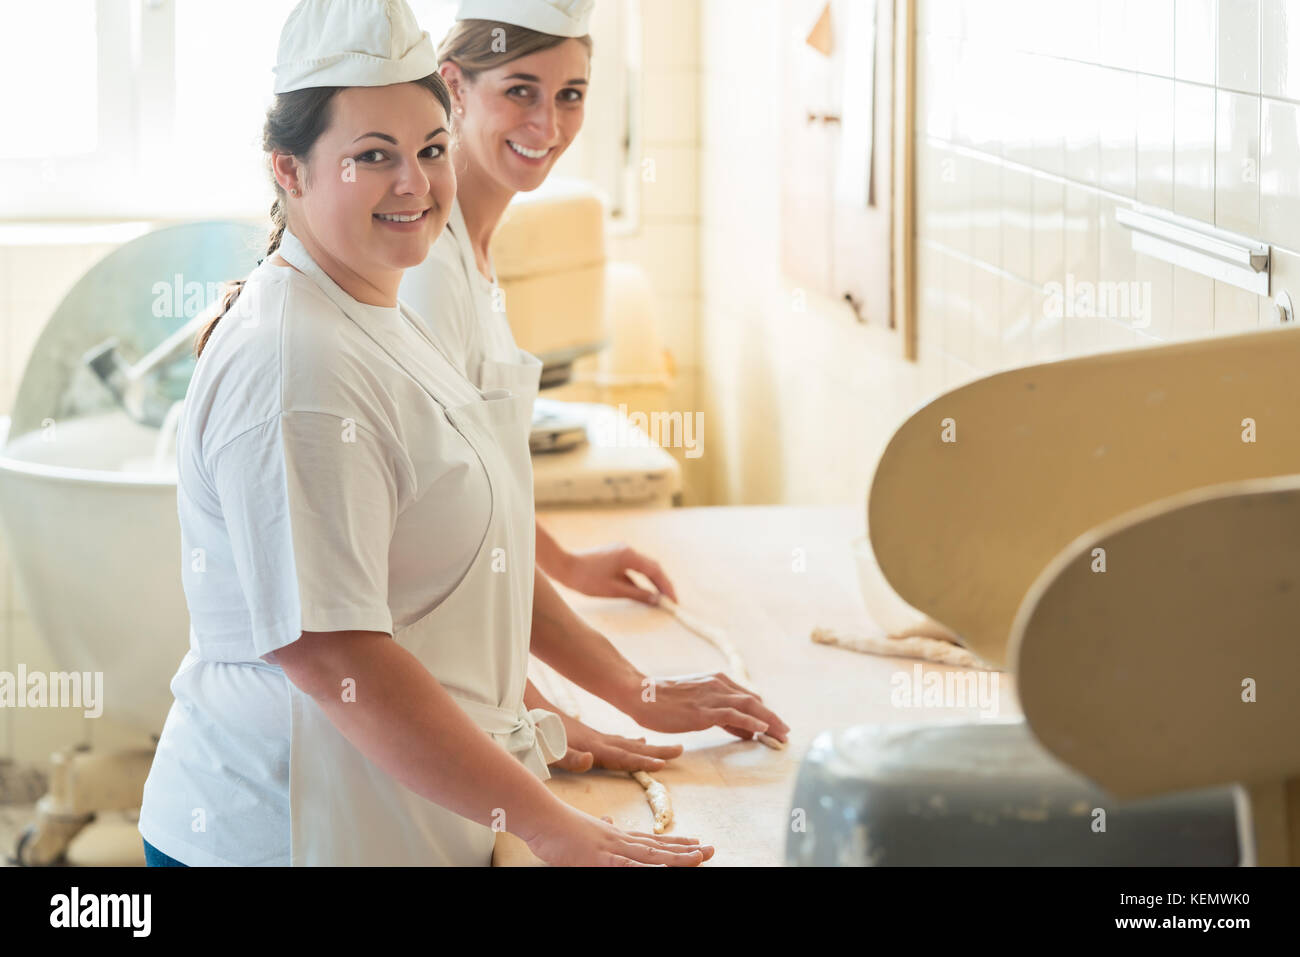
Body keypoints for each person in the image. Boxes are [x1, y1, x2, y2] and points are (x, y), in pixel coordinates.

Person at [138, 0, 714, 867]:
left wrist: (535, 734)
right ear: (288, 170)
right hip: (285, 835)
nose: (416, 183)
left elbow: (455, 562)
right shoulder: (299, 366)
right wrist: (549, 821)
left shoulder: (372, 307)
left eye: (431, 149)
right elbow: (339, 654)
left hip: (394, 822)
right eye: (374, 157)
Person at [399, 0, 791, 773]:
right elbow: (428, 545)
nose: (548, 122)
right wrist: (595, 696)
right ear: (454, 87)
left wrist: (567, 564)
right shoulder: (427, 272)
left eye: (570, 94)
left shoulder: (474, 249)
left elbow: (475, 489)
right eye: (521, 90)